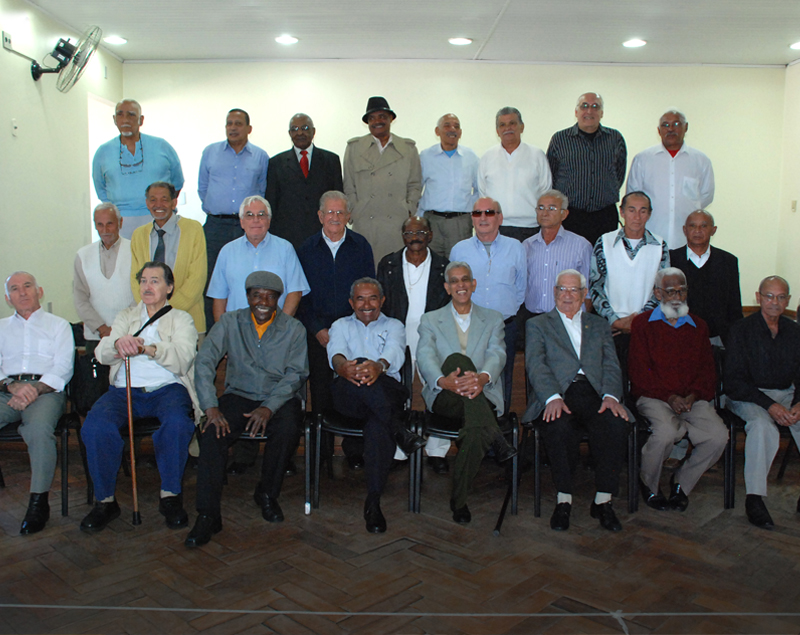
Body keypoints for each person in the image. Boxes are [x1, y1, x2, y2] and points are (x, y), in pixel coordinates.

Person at [187, 272, 308, 547]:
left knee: (288, 428)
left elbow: (296, 374)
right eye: (257, 295)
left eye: (270, 296)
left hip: (278, 397)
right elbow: (204, 361)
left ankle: (267, 494)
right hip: (239, 395)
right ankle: (208, 515)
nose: (263, 302)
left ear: (278, 299)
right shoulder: (230, 322)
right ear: (247, 297)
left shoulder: (294, 328)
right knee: (212, 432)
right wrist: (210, 406)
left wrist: (268, 407)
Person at [79, 262, 199, 533]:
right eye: (143, 280)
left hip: (167, 388)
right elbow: (102, 353)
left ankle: (170, 495)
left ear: (169, 287)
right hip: (124, 390)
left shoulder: (181, 319)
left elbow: (183, 359)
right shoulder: (126, 316)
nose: (147, 286)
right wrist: (118, 344)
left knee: (178, 424)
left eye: (155, 281)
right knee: (95, 427)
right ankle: (105, 501)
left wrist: (149, 349)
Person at [524, 269, 629, 531]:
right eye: (562, 289)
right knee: (558, 426)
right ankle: (564, 500)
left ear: (584, 295)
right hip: (558, 392)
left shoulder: (599, 325)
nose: (567, 295)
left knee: (615, 424)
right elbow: (536, 365)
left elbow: (611, 364)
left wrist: (611, 395)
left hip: (595, 393)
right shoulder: (538, 324)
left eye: (574, 290)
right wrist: (552, 397)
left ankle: (603, 501)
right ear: (554, 293)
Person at [417, 261, 517, 524]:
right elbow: (425, 356)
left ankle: (459, 500)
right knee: (455, 361)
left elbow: (497, 354)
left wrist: (482, 379)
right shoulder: (430, 319)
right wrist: (443, 381)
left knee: (476, 430)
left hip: (483, 392)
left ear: (473, 284)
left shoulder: (493, 318)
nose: (460, 285)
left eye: (465, 280)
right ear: (447, 287)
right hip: (444, 396)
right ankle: (496, 435)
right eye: (454, 281)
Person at [327, 278, 426, 533]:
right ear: (351, 303)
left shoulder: (394, 325)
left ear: (382, 300)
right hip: (349, 394)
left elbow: (394, 353)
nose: (367, 304)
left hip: (386, 390)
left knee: (377, 425)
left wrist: (378, 367)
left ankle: (373, 502)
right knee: (359, 365)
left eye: (372, 298)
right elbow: (335, 353)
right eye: (360, 299)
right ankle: (398, 429)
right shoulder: (340, 325)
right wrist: (344, 367)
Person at [629, 268, 728, 512]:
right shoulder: (642, 324)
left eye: (681, 291)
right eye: (670, 291)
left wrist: (693, 395)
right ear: (658, 293)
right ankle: (649, 484)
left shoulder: (698, 326)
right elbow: (640, 371)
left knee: (718, 436)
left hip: (691, 399)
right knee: (665, 433)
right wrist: (669, 396)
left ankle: (682, 483)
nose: (676, 296)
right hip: (654, 396)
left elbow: (707, 371)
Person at [297, 191, 375, 465]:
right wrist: (318, 329)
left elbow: (368, 293)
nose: (335, 217)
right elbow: (300, 295)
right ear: (320, 216)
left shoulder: (360, 246)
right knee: (320, 394)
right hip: (317, 334)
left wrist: (351, 329)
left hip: (353, 333)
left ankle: (355, 452)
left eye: (340, 212)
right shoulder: (306, 249)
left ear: (348, 216)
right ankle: (321, 455)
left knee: (355, 389)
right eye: (329, 212)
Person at [0, 272, 74, 535]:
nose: (22, 292)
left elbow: (63, 367)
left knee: (38, 430)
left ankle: (38, 503)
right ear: (8, 298)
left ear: (39, 291)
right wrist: (11, 386)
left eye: (27, 286)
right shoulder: (1, 328)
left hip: (46, 392)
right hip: (7, 391)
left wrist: (34, 389)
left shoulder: (59, 325)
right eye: (15, 288)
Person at [377, 216, 451, 473]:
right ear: (402, 236)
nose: (415, 237)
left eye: (420, 232)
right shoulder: (388, 264)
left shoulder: (443, 266)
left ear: (430, 235)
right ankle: (399, 450)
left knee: (437, 390)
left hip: (434, 338)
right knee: (398, 392)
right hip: (398, 337)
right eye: (409, 233)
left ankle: (437, 451)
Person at [725, 276, 800, 530]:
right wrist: (770, 405)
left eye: (781, 297)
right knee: (762, 426)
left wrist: (798, 404)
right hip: (748, 395)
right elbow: (734, 381)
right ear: (758, 298)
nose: (774, 302)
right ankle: (754, 498)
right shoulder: (740, 330)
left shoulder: (795, 331)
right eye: (769, 296)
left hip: (786, 394)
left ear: (788, 301)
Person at [450, 197, 526, 414]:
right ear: (472, 219)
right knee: (468, 376)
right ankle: (471, 426)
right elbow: (454, 288)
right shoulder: (459, 249)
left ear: (500, 218)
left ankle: (500, 424)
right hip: (468, 327)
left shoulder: (516, 247)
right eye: (477, 213)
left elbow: (521, 288)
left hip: (504, 326)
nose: (483, 218)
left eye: (489, 212)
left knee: (503, 377)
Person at [198, 108, 269, 331]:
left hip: (246, 227)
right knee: (212, 281)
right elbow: (203, 188)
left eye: (238, 123)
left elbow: (263, 191)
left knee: (246, 279)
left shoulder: (260, 156)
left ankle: (248, 332)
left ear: (249, 128)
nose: (233, 127)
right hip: (215, 226)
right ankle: (215, 335)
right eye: (229, 123)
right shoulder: (210, 152)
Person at [590, 191, 669, 369]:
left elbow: (662, 290)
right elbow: (596, 285)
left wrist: (638, 322)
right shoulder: (604, 242)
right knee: (612, 380)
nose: (637, 217)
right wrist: (615, 320)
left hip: (646, 330)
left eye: (643, 211)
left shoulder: (660, 246)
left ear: (649, 214)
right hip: (611, 330)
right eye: (632, 210)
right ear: (622, 212)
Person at [343, 96, 422, 261]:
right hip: (365, 223)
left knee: (394, 270)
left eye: (382, 116)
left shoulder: (407, 149)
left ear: (391, 118)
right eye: (372, 118)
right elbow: (349, 186)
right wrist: (355, 211)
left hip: (397, 223)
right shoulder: (354, 148)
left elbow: (415, 184)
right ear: (367, 123)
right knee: (366, 269)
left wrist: (408, 209)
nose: (377, 121)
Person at [207, 196, 309, 322]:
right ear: (242, 222)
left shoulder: (285, 249)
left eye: (261, 215)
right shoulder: (227, 251)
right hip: (236, 328)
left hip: (276, 327)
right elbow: (219, 298)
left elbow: (295, 292)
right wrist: (223, 331)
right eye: (249, 215)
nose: (256, 220)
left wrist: (281, 327)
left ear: (269, 220)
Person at [92, 99, 184, 239]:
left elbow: (177, 183)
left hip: (159, 218)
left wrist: (160, 205)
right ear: (115, 119)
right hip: (121, 223)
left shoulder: (162, 146)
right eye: (120, 115)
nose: (125, 120)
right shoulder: (103, 152)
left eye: (131, 115)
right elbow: (100, 188)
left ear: (141, 120)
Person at [547, 92, 627, 246]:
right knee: (570, 258)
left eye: (595, 106)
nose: (589, 111)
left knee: (604, 258)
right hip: (570, 215)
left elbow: (619, 173)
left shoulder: (615, 138)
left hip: (605, 215)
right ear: (576, 112)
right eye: (584, 106)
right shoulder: (560, 139)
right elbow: (551, 175)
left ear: (602, 113)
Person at [627, 109, 715, 249]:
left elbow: (706, 196)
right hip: (650, 238)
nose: (671, 129)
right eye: (665, 125)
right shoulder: (643, 159)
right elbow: (633, 197)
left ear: (686, 127)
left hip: (686, 241)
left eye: (676, 124)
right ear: (658, 130)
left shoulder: (700, 161)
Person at [130, 181, 207, 333]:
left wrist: (165, 311)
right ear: (147, 203)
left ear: (174, 202)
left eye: (164, 199)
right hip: (149, 323)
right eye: (153, 200)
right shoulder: (139, 235)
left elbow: (197, 279)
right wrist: (151, 309)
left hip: (187, 321)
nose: (158, 204)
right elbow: (135, 280)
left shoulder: (194, 229)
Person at [267, 113, 343, 250]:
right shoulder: (276, 163)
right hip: (287, 236)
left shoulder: (331, 161)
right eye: (295, 129)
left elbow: (338, 200)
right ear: (289, 133)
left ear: (313, 131)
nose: (300, 133)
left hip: (323, 235)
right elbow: (272, 203)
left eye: (305, 128)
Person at [668, 210, 742, 346]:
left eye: (703, 226)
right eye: (692, 226)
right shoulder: (671, 259)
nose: (697, 231)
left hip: (717, 337)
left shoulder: (728, 261)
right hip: (677, 335)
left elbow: (734, 304)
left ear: (713, 230)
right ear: (685, 230)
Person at [478, 107, 552, 242]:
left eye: (512, 123)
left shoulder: (537, 155)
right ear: (497, 131)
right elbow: (482, 193)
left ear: (521, 127)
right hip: (496, 227)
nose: (507, 128)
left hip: (530, 228)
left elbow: (546, 191)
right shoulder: (487, 157)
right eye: (502, 125)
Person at [73, 203, 135, 354]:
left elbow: (141, 295)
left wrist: (119, 329)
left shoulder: (135, 250)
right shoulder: (83, 255)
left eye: (110, 224)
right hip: (95, 337)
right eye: (100, 225)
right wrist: (102, 328)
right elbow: (80, 299)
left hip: (130, 335)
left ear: (120, 223)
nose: (105, 230)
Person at [522, 190, 592, 319]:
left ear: (564, 214)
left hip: (569, 318)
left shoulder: (581, 245)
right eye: (541, 208)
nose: (545, 213)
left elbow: (588, 292)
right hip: (533, 318)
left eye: (552, 208)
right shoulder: (527, 245)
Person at [418, 113, 479, 257]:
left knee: (459, 263)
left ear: (460, 132)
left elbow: (479, 189)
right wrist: (419, 219)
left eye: (456, 126)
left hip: (460, 223)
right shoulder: (425, 156)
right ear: (437, 131)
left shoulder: (471, 157)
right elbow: (417, 188)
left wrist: (469, 212)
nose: (452, 129)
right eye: (447, 125)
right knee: (432, 264)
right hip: (432, 222)